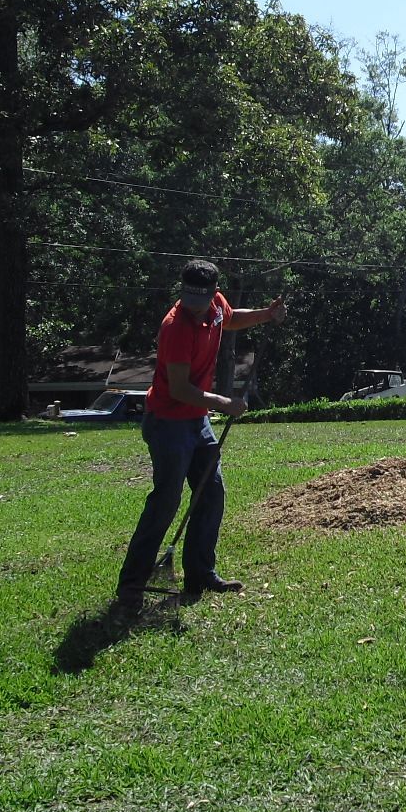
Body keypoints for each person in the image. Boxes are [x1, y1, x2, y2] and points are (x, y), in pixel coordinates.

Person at [113, 258, 284, 614]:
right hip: (168, 422)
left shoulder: (216, 306)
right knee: (166, 501)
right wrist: (225, 402)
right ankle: (132, 585)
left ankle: (200, 574)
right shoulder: (175, 327)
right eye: (188, 299)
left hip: (197, 423)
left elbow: (231, 317)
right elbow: (179, 389)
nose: (194, 308)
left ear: (212, 294)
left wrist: (266, 315)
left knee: (210, 493)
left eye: (201, 301)